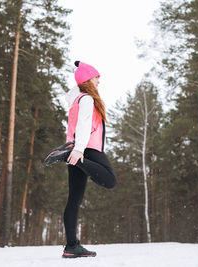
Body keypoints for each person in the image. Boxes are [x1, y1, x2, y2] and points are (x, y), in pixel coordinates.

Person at [43, 61, 117, 258]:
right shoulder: (86, 99)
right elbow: (84, 125)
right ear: (87, 79)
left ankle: (71, 246)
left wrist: (75, 150)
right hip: (86, 149)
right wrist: (78, 151)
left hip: (75, 148)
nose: (99, 81)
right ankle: (68, 155)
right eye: (96, 77)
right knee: (109, 181)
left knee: (74, 200)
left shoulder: (76, 98)